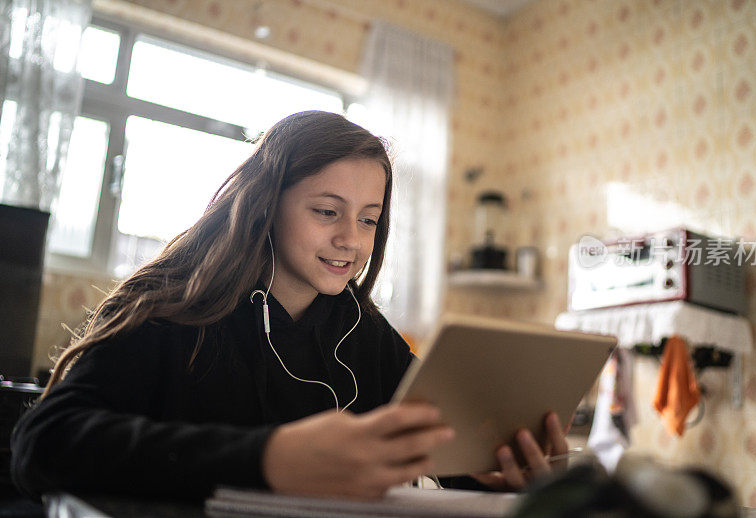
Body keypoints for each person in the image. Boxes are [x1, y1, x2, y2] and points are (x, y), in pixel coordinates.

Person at [11, 110, 568, 501]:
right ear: (264, 206)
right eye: (327, 211)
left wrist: (498, 469)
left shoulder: (363, 331)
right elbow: (42, 443)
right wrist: (267, 458)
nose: (352, 238)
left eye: (369, 219)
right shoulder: (171, 303)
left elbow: (433, 450)